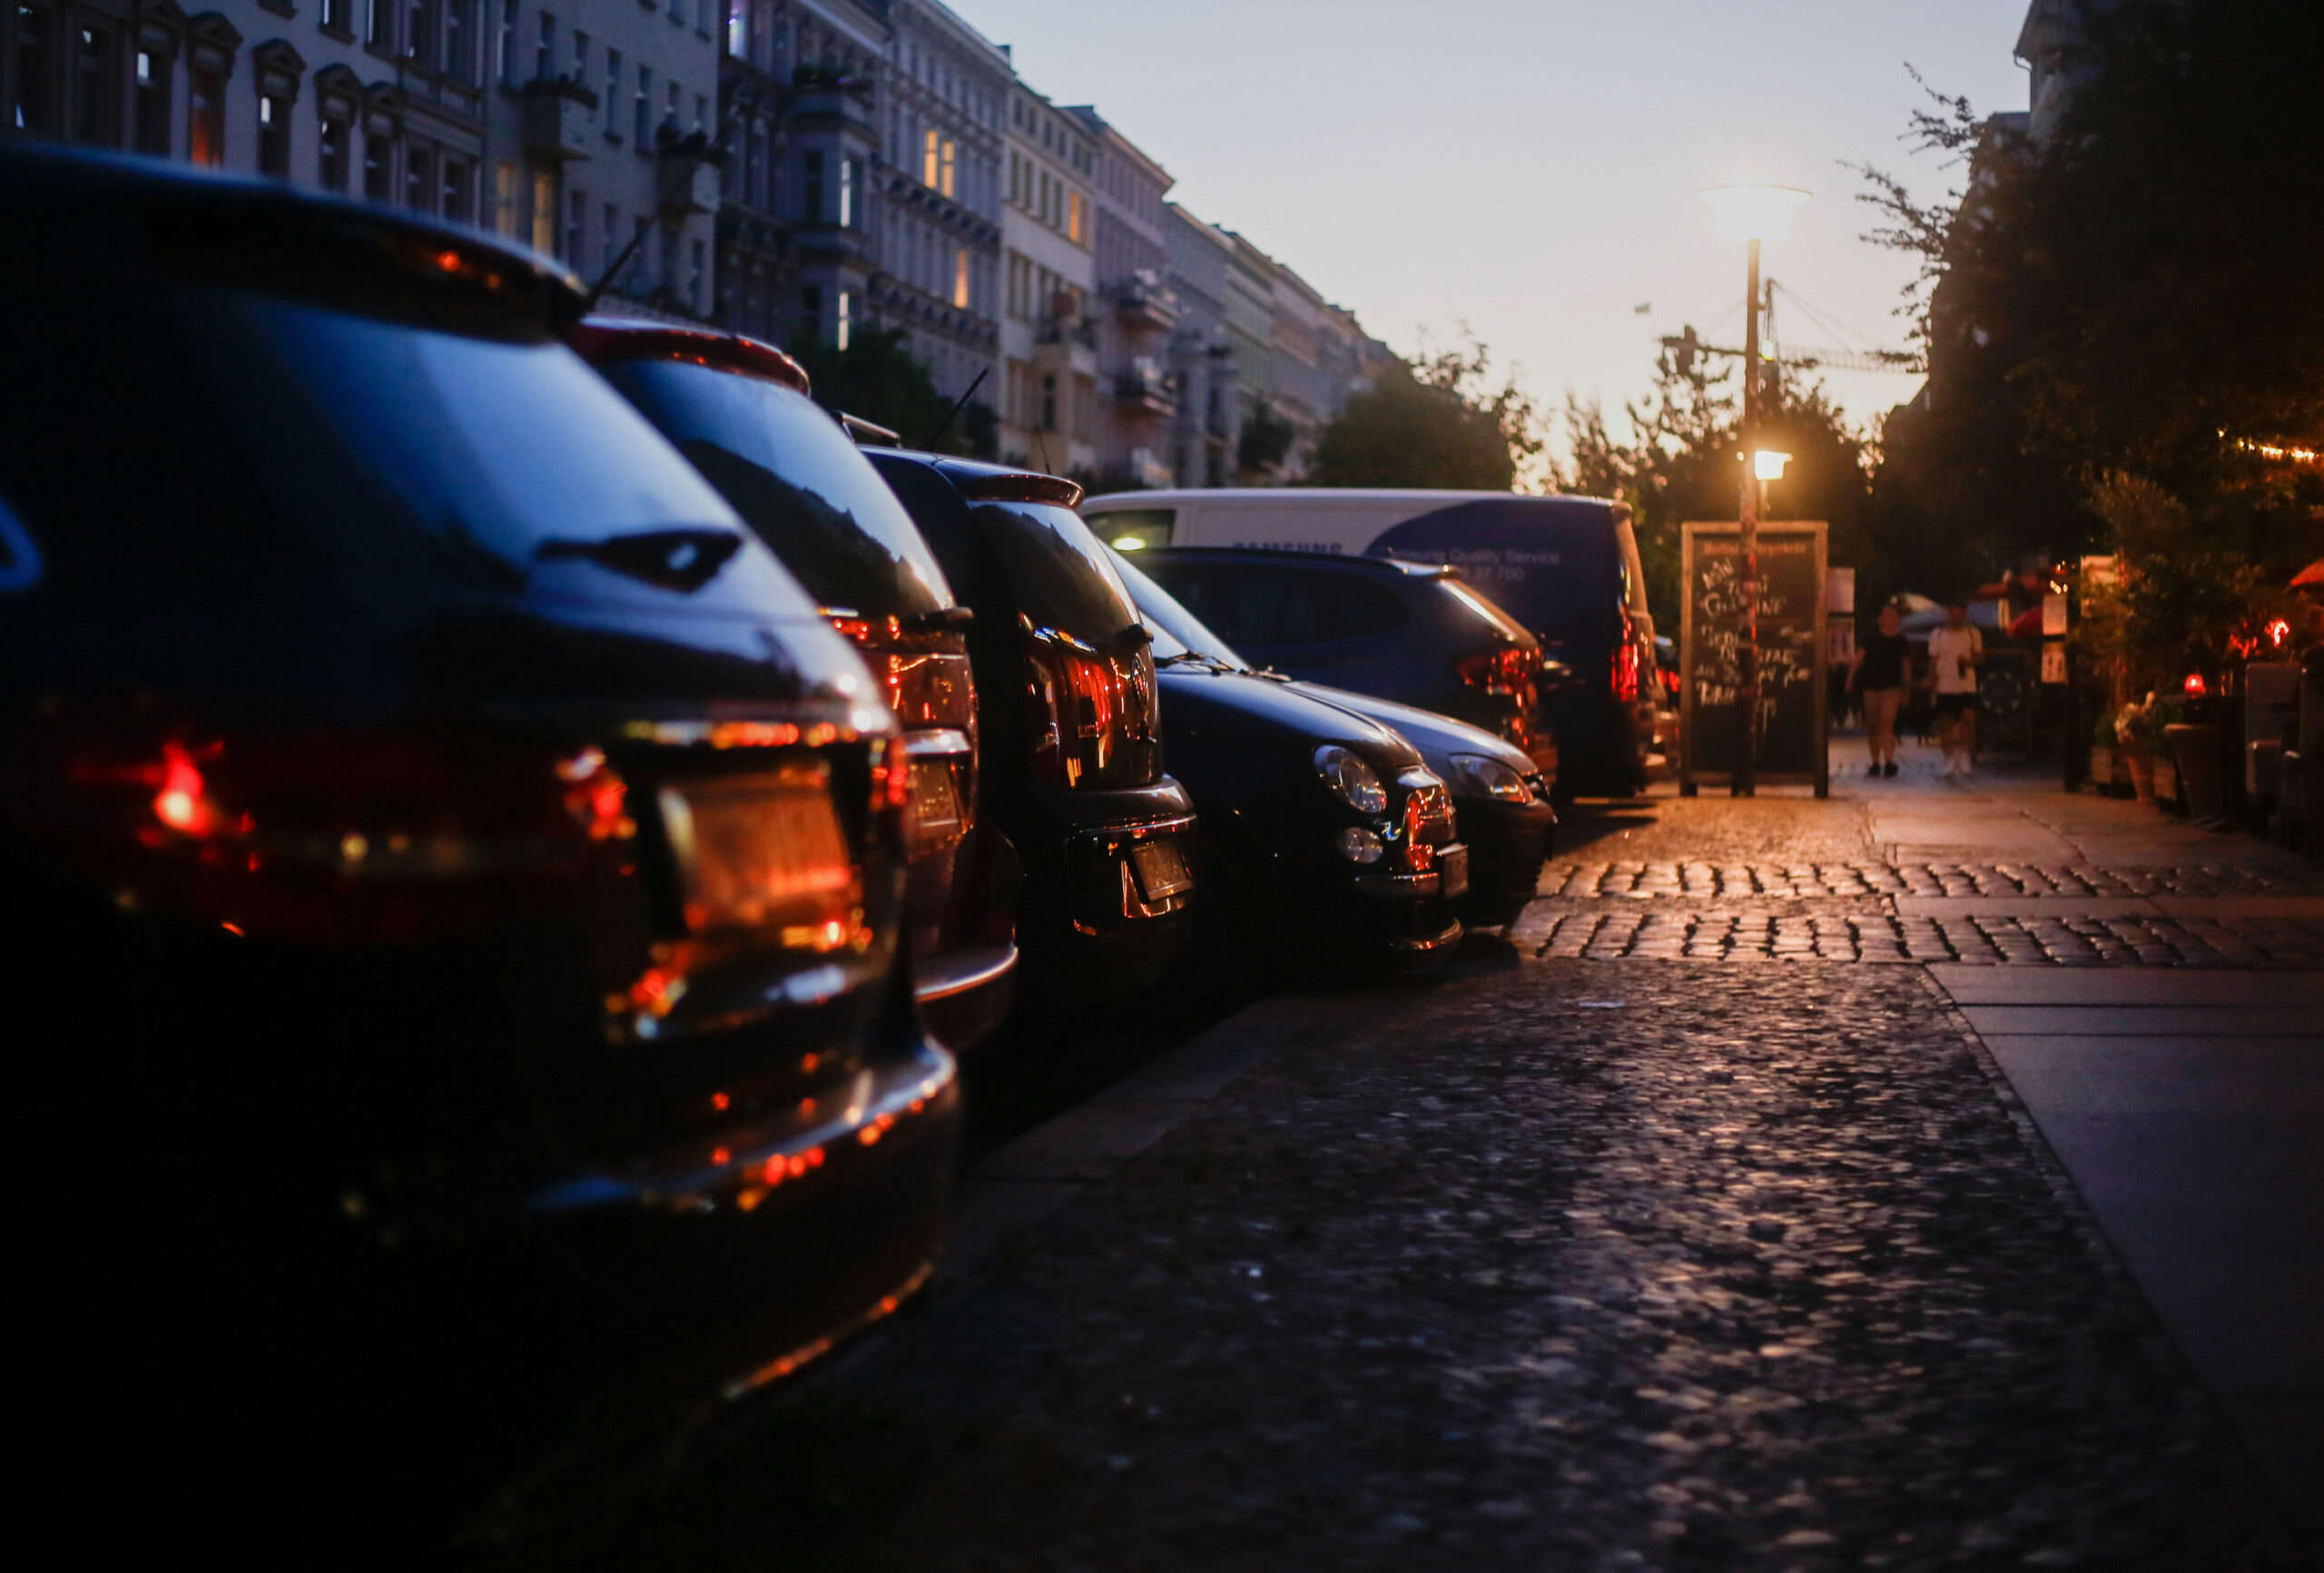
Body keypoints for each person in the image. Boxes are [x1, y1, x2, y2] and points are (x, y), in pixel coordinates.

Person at [1850, 603, 1912, 777]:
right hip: (1870, 686)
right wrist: (1850, 679)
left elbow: (1906, 667)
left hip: (1891, 687)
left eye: (1892, 615)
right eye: (1886, 615)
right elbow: (1858, 658)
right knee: (1872, 725)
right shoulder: (1870, 637)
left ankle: (1889, 761)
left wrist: (1906, 690)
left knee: (1887, 723)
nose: (1889, 619)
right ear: (1880, 619)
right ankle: (1875, 761)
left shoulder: (1901, 641)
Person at [1925, 601, 1984, 778]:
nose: (1956, 614)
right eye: (1953, 610)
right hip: (1945, 684)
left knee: (1968, 720)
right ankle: (1950, 757)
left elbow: (1980, 656)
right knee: (1946, 723)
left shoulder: (1972, 633)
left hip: (1966, 684)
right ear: (1948, 611)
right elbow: (1933, 660)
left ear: (1964, 612)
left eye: (1960, 611)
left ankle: (1964, 756)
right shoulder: (1938, 634)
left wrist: (1969, 662)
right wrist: (1932, 682)